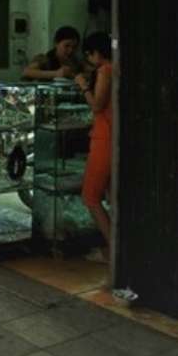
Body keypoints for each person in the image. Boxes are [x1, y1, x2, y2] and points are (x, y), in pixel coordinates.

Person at [76, 31, 114, 260]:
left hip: (104, 137)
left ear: (96, 53)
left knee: (90, 196)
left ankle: (113, 249)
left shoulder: (105, 70)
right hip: (110, 135)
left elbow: (97, 105)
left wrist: (82, 85)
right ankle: (114, 246)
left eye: (89, 54)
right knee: (109, 195)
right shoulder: (116, 68)